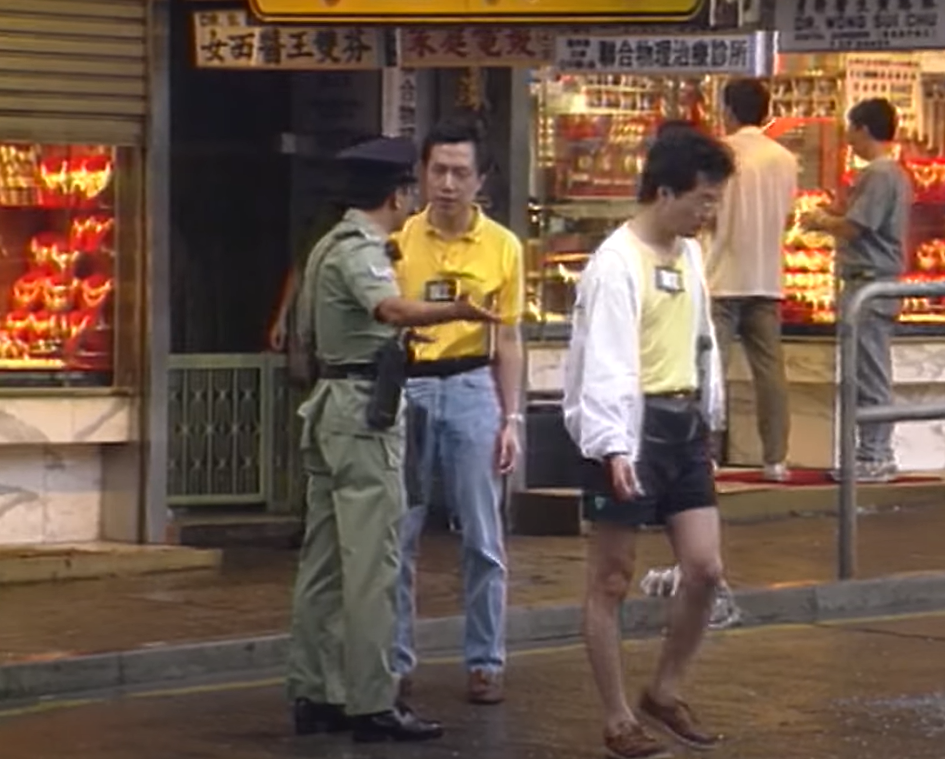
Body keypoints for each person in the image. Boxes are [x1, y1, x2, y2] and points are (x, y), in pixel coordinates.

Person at [286, 135, 499, 744]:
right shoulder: (360, 249)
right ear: (397, 194)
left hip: (335, 407)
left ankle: (318, 691)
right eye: (412, 187)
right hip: (363, 415)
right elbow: (390, 310)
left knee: (325, 563)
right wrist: (457, 312)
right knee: (372, 563)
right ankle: (372, 700)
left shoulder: (329, 244)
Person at [563, 126, 734, 758]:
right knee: (611, 578)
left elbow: (700, 338)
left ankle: (664, 690)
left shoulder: (688, 255)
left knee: (705, 568)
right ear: (664, 192)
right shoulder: (615, 263)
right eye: (702, 199)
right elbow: (605, 360)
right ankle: (617, 719)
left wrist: (710, 414)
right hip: (629, 432)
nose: (708, 212)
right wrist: (612, 446)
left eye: (714, 200)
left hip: (683, 428)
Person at [392, 116, 525, 705]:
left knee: (482, 534)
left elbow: (510, 339)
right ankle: (395, 662)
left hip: (473, 384)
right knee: (400, 534)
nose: (447, 183)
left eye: (460, 172)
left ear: (480, 179)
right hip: (412, 385)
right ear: (422, 173)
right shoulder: (399, 239)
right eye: (438, 170)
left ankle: (486, 661)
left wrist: (512, 418)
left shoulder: (503, 246)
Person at [801, 98, 910, 483]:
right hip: (871, 284)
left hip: (870, 284)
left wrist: (820, 220)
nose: (848, 138)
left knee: (870, 374)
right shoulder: (890, 175)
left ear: (864, 129)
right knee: (866, 372)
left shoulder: (880, 175)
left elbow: (855, 227)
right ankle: (870, 453)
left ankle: (875, 454)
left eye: (851, 129)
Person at [706, 78, 798, 481]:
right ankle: (775, 459)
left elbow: (709, 214)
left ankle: (707, 455)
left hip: (722, 276)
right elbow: (788, 216)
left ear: (728, 110)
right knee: (770, 373)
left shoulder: (720, 154)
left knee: (712, 370)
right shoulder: (785, 159)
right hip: (767, 276)